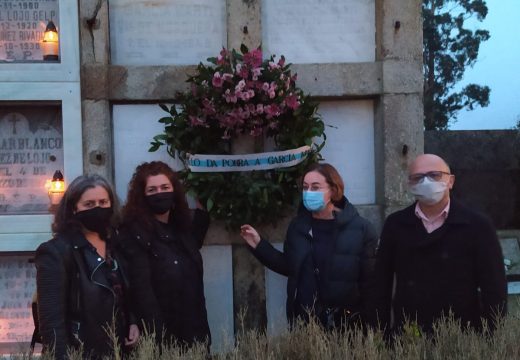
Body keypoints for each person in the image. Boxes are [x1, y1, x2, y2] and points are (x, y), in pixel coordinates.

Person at [371, 154, 507, 334]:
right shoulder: (395, 224)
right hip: (409, 336)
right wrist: (381, 333)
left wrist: (492, 336)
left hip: (462, 335)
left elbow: (494, 287)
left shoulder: (478, 225)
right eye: (418, 177)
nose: (426, 182)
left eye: (434, 175)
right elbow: (381, 283)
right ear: (409, 184)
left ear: (450, 181)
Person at [240, 163, 378, 329]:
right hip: (306, 323)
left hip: (347, 326)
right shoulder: (298, 226)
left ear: (333, 191)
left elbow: (370, 284)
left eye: (315, 187)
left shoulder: (361, 229)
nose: (309, 193)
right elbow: (291, 266)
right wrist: (259, 245)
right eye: (305, 188)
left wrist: (372, 329)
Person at [35, 175, 139, 360]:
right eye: (89, 204)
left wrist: (132, 321)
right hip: (81, 351)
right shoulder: (56, 252)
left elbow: (125, 293)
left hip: (119, 351)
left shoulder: (116, 245)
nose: (97, 208)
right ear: (74, 208)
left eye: (103, 202)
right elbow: (52, 323)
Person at [120, 161, 211, 348]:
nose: (159, 193)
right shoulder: (134, 232)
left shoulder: (182, 229)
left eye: (164, 187)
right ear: (142, 195)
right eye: (152, 190)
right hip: (160, 335)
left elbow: (193, 245)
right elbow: (138, 288)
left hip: (195, 331)